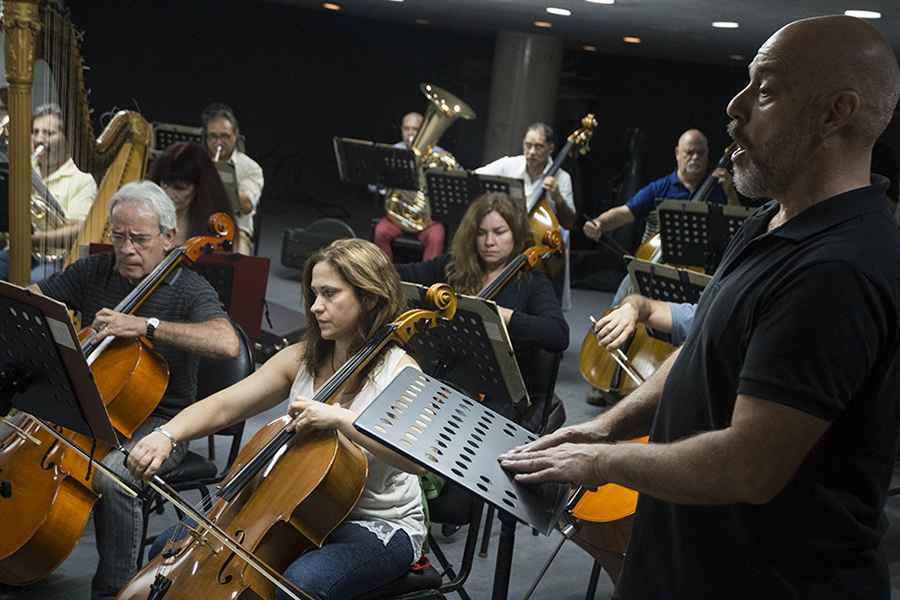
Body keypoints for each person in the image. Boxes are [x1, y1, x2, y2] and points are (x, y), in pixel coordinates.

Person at [501, 15, 900, 599]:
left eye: (764, 90)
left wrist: (603, 464)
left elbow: (748, 465)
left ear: (834, 113)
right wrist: (605, 428)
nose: (734, 106)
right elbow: (697, 350)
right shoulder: (770, 218)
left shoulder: (840, 266)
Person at [125, 238, 428, 600]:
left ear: (369, 298)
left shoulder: (401, 373)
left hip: (378, 525)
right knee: (168, 546)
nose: (316, 307)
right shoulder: (303, 357)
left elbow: (416, 459)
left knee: (298, 585)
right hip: (295, 512)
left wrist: (342, 419)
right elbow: (225, 406)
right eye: (314, 294)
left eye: (330, 294)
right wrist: (167, 433)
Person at [28, 180, 240, 599]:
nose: (126, 249)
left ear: (167, 238)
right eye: (118, 236)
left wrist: (147, 326)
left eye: (139, 239)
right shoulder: (95, 270)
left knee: (115, 478)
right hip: (92, 403)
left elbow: (226, 342)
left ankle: (114, 592)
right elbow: (36, 299)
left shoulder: (189, 288)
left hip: (163, 420)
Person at [395, 191, 569, 427]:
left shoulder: (533, 283)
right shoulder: (452, 269)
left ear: (516, 235)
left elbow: (558, 334)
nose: (489, 242)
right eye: (481, 233)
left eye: (499, 232)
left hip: (501, 396)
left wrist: (505, 316)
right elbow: (400, 274)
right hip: (450, 379)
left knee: (447, 429)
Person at [475, 123, 578, 309]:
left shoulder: (562, 178)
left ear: (550, 149)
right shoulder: (509, 165)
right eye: (527, 145)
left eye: (538, 147)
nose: (531, 151)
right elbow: (475, 177)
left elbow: (569, 222)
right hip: (505, 236)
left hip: (539, 247)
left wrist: (558, 198)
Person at [0, 103, 98, 282]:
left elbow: (78, 229)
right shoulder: (23, 168)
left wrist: (36, 238)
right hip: (20, 251)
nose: (39, 138)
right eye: (36, 131)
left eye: (48, 133)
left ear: (66, 138)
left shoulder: (82, 179)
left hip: (59, 257)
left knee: (36, 282)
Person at [373, 111, 447, 262]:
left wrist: (448, 167)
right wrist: (390, 183)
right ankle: (383, 278)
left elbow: (453, 188)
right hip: (397, 218)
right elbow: (373, 187)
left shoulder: (439, 154)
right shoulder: (393, 152)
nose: (410, 133)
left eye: (415, 129)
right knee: (380, 231)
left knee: (437, 235)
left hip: (428, 221)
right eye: (406, 129)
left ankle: (428, 282)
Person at [201, 102, 264, 255]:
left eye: (225, 136)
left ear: (235, 136)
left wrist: (220, 180)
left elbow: (247, 205)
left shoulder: (251, 168)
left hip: (235, 231)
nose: (218, 142)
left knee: (238, 267)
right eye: (213, 137)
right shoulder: (198, 162)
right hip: (200, 227)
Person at [148, 141, 236, 246]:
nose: (169, 195)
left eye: (180, 188)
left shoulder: (212, 226)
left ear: (199, 189)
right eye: (165, 185)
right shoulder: (149, 216)